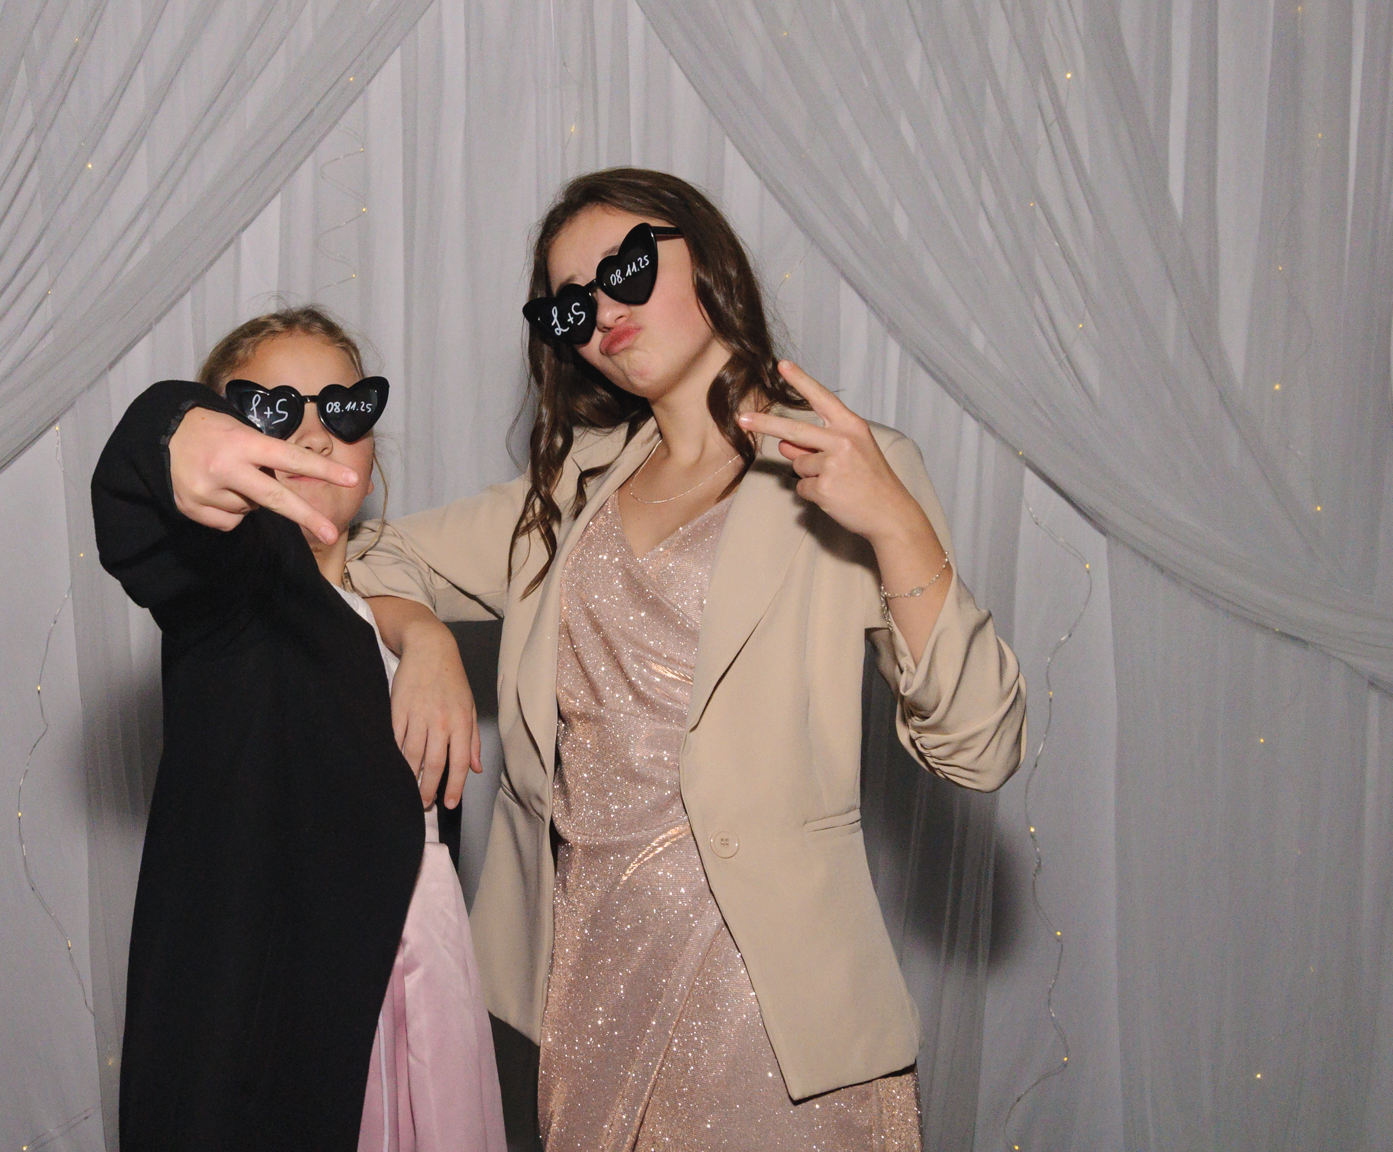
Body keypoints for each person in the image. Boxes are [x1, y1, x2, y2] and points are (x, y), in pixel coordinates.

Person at [168, 170, 1027, 1149]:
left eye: (626, 269)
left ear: (708, 253)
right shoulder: (569, 491)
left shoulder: (844, 467)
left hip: (777, 1013)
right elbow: (363, 548)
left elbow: (978, 748)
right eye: (571, 303)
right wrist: (426, 637)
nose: (604, 311)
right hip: (589, 994)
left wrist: (898, 526)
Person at [91, 307, 503, 1151]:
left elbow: (355, 606)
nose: (315, 434)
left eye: (344, 409)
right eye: (272, 411)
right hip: (285, 1018)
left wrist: (423, 632)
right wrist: (173, 430)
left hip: (422, 966)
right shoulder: (232, 593)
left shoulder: (384, 609)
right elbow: (135, 498)